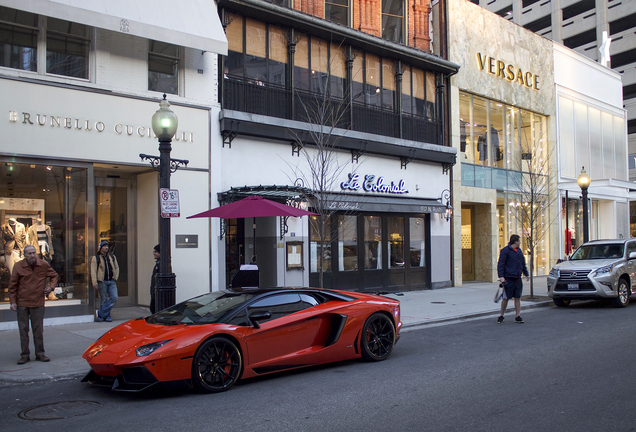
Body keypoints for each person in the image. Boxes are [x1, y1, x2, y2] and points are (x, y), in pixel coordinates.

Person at [8, 244, 58, 364]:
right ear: (24, 255)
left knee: (38, 330)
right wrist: (13, 302)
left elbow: (54, 275)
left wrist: (51, 287)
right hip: (22, 303)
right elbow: (12, 286)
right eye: (29, 253)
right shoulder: (18, 266)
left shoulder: (43, 265)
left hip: (38, 302)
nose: (32, 255)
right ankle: (25, 355)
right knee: (23, 330)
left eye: (33, 253)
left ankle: (40, 354)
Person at [497, 234, 529, 324]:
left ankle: (518, 316)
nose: (520, 242)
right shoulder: (505, 251)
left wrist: (526, 274)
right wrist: (501, 277)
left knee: (518, 297)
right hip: (508, 278)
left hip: (517, 278)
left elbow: (522, 264)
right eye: (519, 241)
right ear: (515, 242)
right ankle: (501, 315)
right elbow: (501, 264)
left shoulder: (519, 251)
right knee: (506, 298)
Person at [90, 240, 119, 322]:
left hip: (111, 281)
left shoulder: (112, 257)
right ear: (100, 248)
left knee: (114, 297)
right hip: (102, 281)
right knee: (103, 299)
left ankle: (100, 313)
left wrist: (115, 277)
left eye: (107, 246)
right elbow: (93, 271)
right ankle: (106, 316)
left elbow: (116, 267)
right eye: (104, 246)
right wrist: (94, 282)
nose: (106, 248)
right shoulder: (96, 258)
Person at [149, 244, 160, 314]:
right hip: (155, 292)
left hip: (157, 292)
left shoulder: (161, 265)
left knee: (153, 308)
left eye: (156, 252)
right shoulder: (157, 264)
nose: (154, 254)